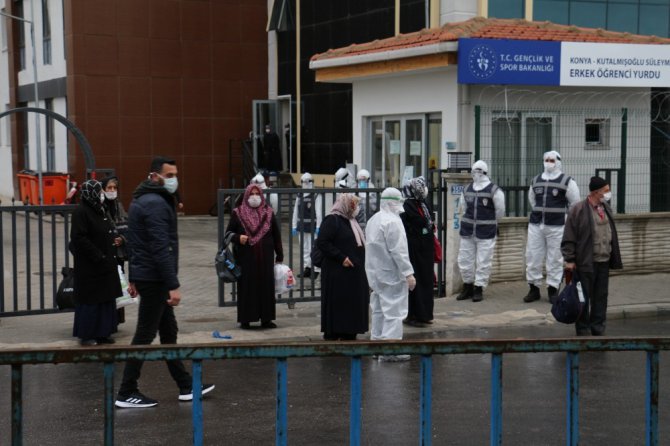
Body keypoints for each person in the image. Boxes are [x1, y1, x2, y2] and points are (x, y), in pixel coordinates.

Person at [116, 156, 215, 409]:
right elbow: (160, 247)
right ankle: (127, 391)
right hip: (156, 278)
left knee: (168, 332)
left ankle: (185, 385)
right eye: (169, 175)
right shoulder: (155, 204)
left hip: (149, 275)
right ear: (154, 176)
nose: (174, 180)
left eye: (175, 175)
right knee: (145, 334)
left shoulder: (144, 199)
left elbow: (138, 243)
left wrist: (136, 276)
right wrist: (172, 284)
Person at [561, 176, 622, 336]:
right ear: (596, 192)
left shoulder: (606, 208)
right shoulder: (578, 210)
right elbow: (569, 236)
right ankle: (583, 329)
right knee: (583, 297)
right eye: (606, 190)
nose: (608, 193)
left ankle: (598, 327)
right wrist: (569, 260)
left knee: (601, 297)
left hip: (603, 261)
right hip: (585, 262)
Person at [365, 188, 416, 362]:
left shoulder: (374, 220)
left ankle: (376, 345)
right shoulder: (393, 222)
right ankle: (390, 350)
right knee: (394, 312)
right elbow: (399, 251)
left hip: (375, 273)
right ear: (395, 203)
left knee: (378, 310)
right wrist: (408, 273)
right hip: (391, 275)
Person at [523, 151, 580, 303]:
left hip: (557, 226)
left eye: (552, 160)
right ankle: (533, 289)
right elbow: (532, 200)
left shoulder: (568, 181)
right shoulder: (535, 180)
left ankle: (553, 289)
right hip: (536, 225)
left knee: (555, 258)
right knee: (532, 256)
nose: (549, 162)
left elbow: (575, 204)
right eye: (546, 159)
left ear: (559, 162)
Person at [70, 180, 121, 346]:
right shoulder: (81, 212)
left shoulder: (101, 209)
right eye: (98, 191)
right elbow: (79, 238)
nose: (101, 194)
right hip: (90, 265)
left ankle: (103, 333)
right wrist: (97, 255)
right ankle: (87, 334)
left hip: (105, 263)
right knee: (91, 301)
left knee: (105, 299)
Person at [227, 183, 284, 329]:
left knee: (266, 287)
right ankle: (246, 319)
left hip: (265, 258)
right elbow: (228, 234)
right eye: (251, 194)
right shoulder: (238, 213)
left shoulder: (268, 212)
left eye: (257, 194)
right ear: (246, 196)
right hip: (246, 258)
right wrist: (238, 237)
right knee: (247, 287)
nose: (254, 197)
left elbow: (276, 235)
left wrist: (279, 255)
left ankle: (266, 319)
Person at [317, 194, 369, 340]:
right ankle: (335, 331)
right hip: (337, 272)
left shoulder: (351, 222)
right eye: (353, 205)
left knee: (351, 303)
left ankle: (349, 331)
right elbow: (323, 242)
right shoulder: (332, 220)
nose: (356, 208)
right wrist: (342, 257)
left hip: (352, 273)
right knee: (338, 303)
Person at [456, 161, 506, 302]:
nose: (475, 173)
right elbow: (463, 208)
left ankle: (479, 288)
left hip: (486, 232)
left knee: (483, 261)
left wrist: (489, 222)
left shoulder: (494, 190)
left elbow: (500, 212)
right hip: (467, 231)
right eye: (474, 170)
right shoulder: (466, 189)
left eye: (478, 170)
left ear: (484, 171)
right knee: (464, 259)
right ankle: (467, 286)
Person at [400, 176, 435, 326]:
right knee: (416, 282)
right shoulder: (408, 205)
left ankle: (425, 314)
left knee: (426, 281)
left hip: (425, 249)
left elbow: (429, 221)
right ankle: (413, 315)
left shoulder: (422, 203)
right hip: (414, 249)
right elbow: (414, 224)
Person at [101, 175, 129, 324]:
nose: (112, 191)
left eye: (114, 188)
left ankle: (117, 319)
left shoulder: (119, 206)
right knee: (107, 286)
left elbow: (127, 226)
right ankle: (108, 319)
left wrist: (122, 239)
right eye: (109, 188)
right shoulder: (100, 206)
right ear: (103, 189)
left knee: (120, 284)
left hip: (118, 254)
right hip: (105, 253)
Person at [292, 172, 322, 279]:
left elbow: (319, 212)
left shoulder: (316, 194)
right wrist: (293, 226)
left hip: (312, 227)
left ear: (311, 182)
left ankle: (316, 269)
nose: (305, 183)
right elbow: (295, 210)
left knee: (313, 248)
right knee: (304, 249)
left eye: (306, 181)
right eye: (303, 182)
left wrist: (318, 226)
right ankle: (307, 268)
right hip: (301, 227)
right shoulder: (299, 194)